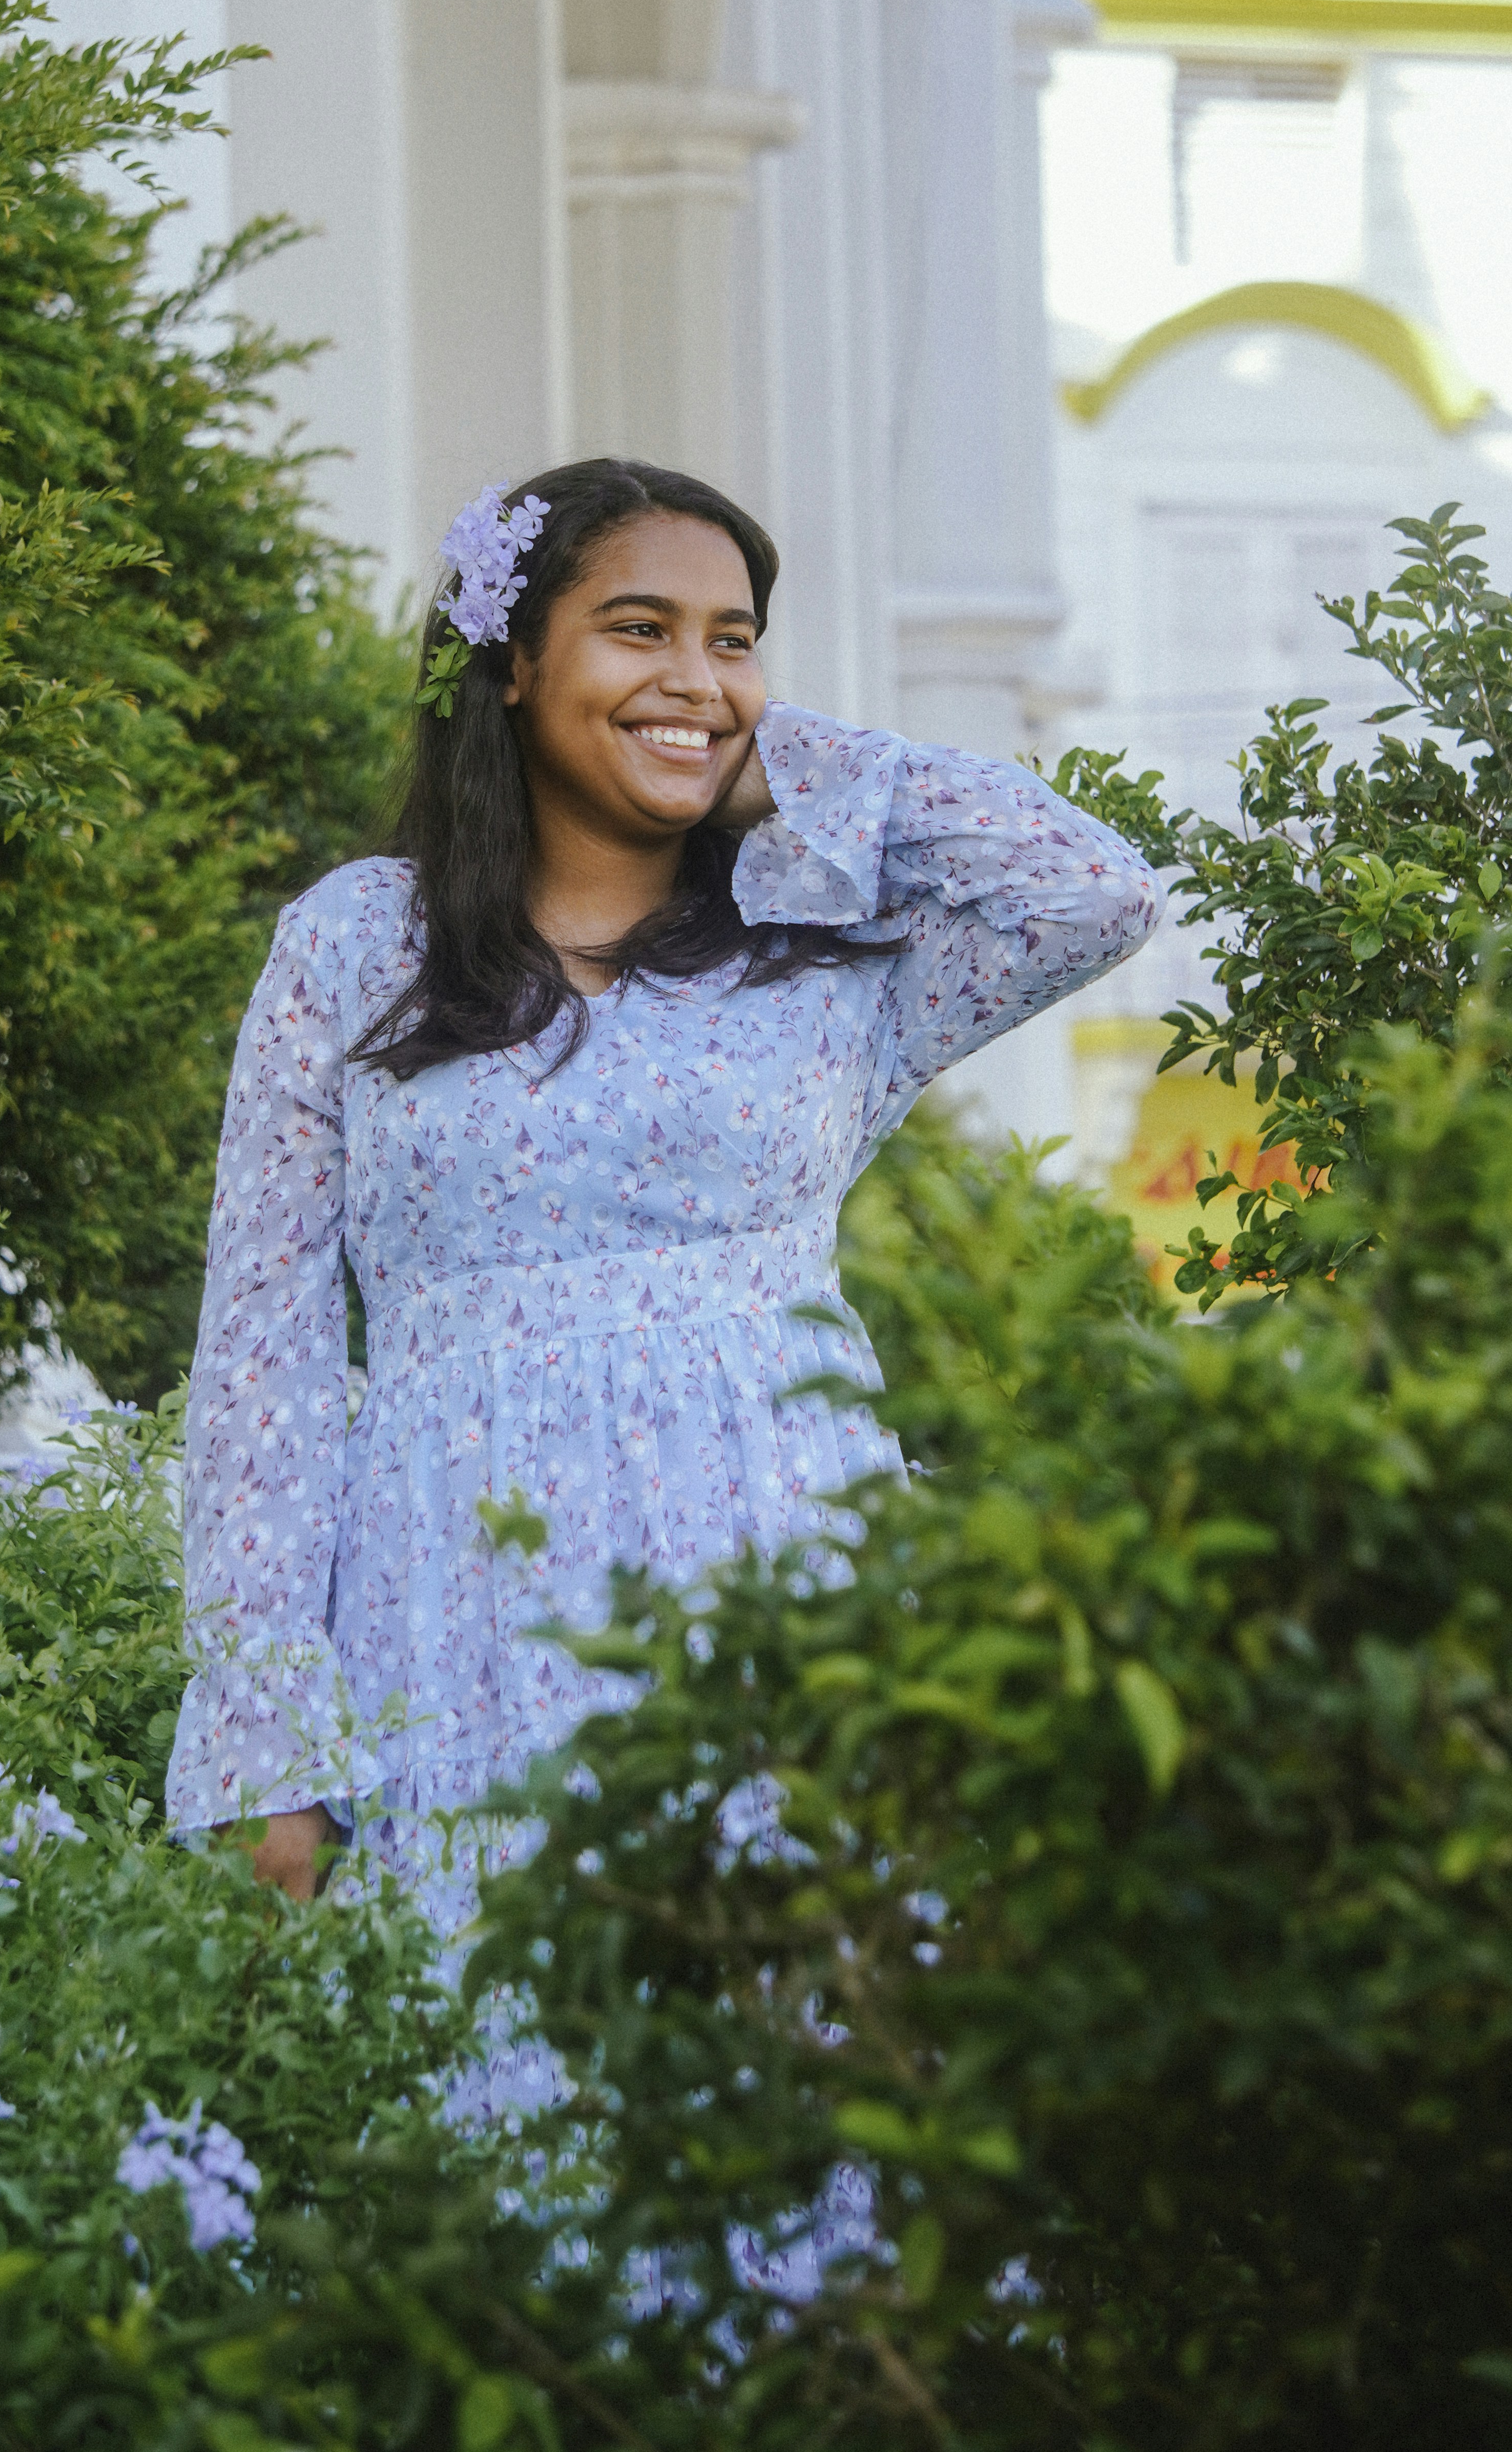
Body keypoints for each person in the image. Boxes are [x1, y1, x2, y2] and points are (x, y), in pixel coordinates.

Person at [165, 457, 1159, 1914]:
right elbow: (267, 1355)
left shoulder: (822, 957)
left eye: (733, 639)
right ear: (512, 663)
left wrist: (784, 765)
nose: (696, 675)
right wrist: (268, 1741)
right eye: (641, 629)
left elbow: (1096, 892)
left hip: (788, 1603)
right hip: (450, 1611)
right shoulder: (360, 944)